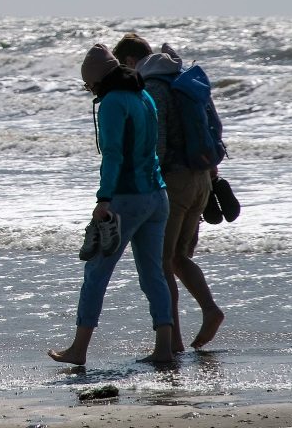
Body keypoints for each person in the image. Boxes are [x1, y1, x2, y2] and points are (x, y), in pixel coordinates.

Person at [48, 44, 173, 365]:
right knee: (153, 275)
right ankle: (164, 347)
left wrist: (104, 199)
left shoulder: (113, 103)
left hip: (126, 198)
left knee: (96, 272)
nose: (88, 90)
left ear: (97, 81)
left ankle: (79, 349)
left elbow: (114, 155)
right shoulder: (143, 95)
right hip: (158, 195)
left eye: (87, 84)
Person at [113, 33, 226, 352]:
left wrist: (143, 186)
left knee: (162, 263)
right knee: (178, 257)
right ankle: (209, 309)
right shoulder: (182, 77)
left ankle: (172, 342)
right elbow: (214, 127)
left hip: (173, 183)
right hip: (202, 178)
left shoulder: (151, 88)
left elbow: (157, 145)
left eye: (124, 67)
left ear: (132, 62)